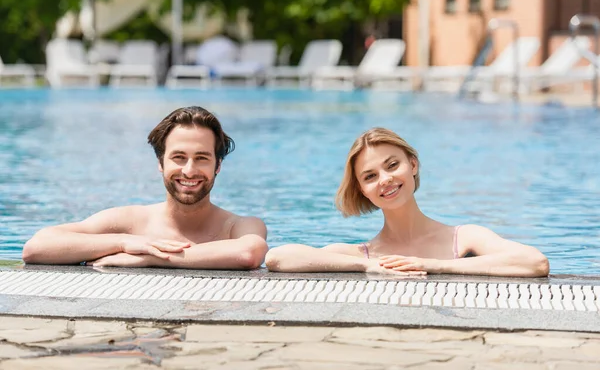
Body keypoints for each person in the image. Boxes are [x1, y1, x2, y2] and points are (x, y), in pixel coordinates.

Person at [266, 127, 550, 277]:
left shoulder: (464, 238)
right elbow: (278, 258)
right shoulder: (365, 255)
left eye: (392, 165)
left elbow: (534, 262)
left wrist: (434, 266)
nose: (385, 179)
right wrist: (367, 267)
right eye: (370, 176)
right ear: (363, 190)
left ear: (412, 165)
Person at [23, 106, 268, 269]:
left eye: (202, 158)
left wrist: (151, 257)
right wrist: (123, 242)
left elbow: (250, 252)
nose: (189, 170)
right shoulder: (129, 223)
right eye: (179, 157)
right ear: (160, 163)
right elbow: (37, 247)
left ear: (218, 166)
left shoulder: (237, 225)